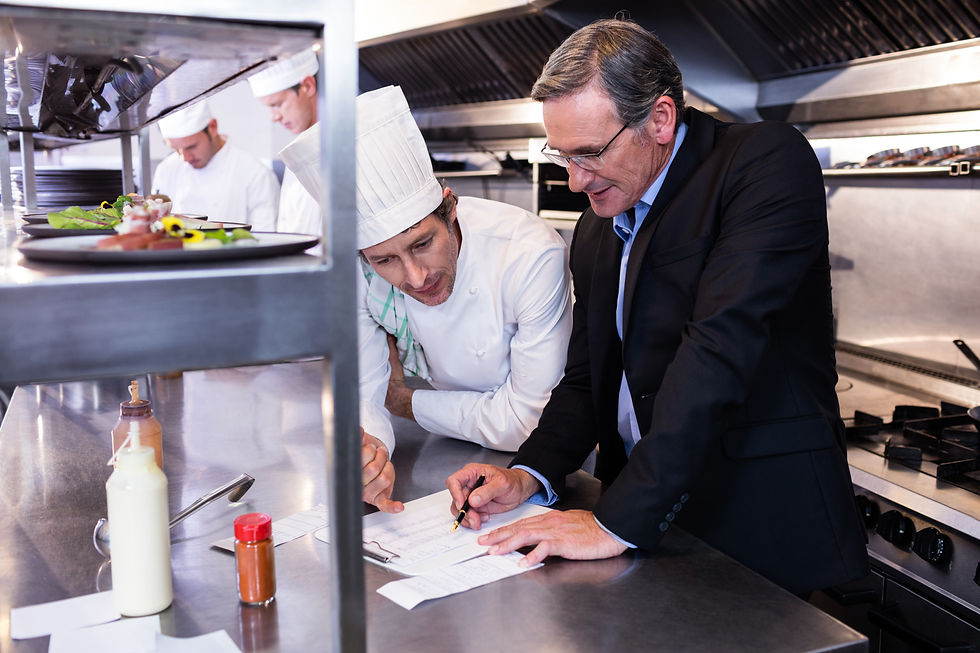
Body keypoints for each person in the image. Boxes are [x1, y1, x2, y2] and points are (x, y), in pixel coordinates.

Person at [446, 17, 869, 596]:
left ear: (661, 119)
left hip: (758, 529)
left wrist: (615, 521)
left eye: (590, 154)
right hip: (640, 523)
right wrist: (528, 472)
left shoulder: (762, 163)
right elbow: (588, 376)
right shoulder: (598, 225)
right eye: (563, 156)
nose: (575, 182)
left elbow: (717, 351)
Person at [280, 85, 572, 514]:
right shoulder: (358, 272)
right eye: (385, 260)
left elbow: (531, 421)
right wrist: (371, 457)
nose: (415, 277)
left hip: (532, 471)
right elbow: (365, 391)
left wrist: (404, 401)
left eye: (422, 244)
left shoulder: (528, 253)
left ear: (449, 209)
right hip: (446, 455)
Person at [152, 100, 279, 231]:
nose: (185, 158)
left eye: (191, 147)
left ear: (213, 127)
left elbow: (265, 234)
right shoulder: (166, 169)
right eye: (176, 149)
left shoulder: (256, 174)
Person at [248, 49, 321, 237]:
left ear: (308, 86)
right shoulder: (298, 149)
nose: (274, 117)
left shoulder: (344, 148)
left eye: (277, 104)